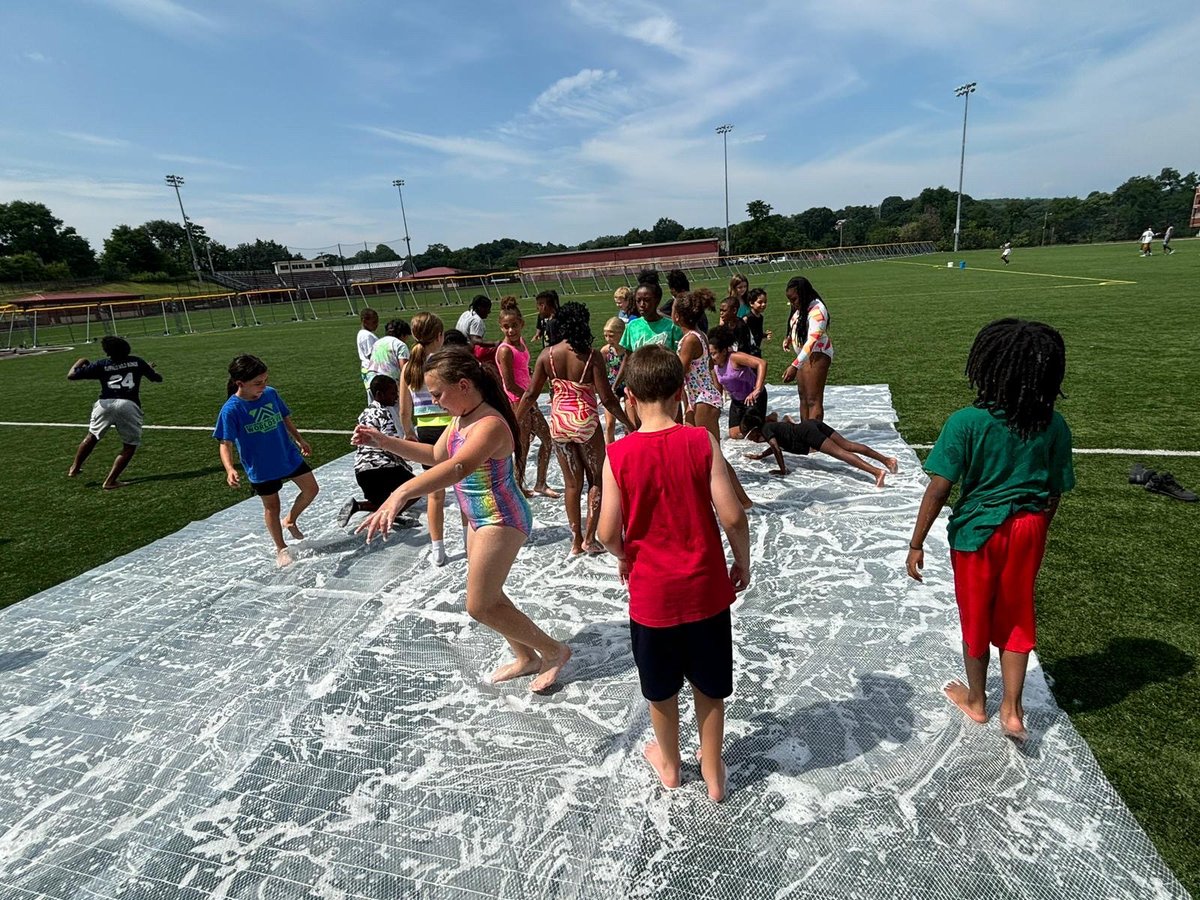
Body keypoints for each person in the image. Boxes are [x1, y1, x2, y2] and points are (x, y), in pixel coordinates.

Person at [354, 348, 572, 693]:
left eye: (438, 394)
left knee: (479, 605)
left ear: (464, 385)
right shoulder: (462, 418)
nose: (437, 402)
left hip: (501, 517)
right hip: (478, 518)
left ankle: (554, 651)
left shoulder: (489, 425)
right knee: (490, 596)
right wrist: (383, 441)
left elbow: (457, 467)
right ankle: (526, 656)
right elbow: (435, 455)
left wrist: (400, 494)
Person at [906, 318, 1075, 741]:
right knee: (1018, 612)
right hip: (1030, 527)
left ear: (988, 367)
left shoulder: (966, 421)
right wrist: (1038, 531)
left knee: (976, 615)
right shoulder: (1054, 425)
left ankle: (978, 701)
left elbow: (939, 488)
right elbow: (1055, 491)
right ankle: (1013, 710)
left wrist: (916, 542)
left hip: (978, 534)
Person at [597, 344, 751, 803]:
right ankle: (712, 770)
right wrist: (742, 561)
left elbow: (606, 531)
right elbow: (733, 516)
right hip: (705, 590)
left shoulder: (618, 454)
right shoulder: (701, 442)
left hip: (652, 598)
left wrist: (624, 554)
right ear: (682, 391)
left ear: (628, 397)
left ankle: (669, 765)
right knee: (710, 685)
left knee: (660, 691)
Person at [517, 302, 632, 556]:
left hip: (559, 423)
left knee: (572, 485)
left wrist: (514, 423)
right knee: (596, 480)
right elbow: (608, 399)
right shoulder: (591, 356)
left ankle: (575, 540)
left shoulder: (547, 355)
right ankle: (590, 539)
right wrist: (629, 423)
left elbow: (530, 394)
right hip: (585, 422)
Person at [214, 354, 319, 568]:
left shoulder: (270, 394)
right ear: (239, 383)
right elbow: (225, 443)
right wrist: (229, 469)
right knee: (272, 506)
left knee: (311, 489)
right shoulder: (231, 409)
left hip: (286, 454)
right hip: (260, 466)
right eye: (257, 383)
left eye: (265, 380)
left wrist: (299, 439)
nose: (263, 386)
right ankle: (281, 547)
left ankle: (290, 520)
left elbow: (284, 417)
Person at [675, 289, 752, 508]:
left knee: (712, 454)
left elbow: (679, 370)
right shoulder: (695, 335)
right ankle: (703, 500)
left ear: (677, 316)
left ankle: (742, 500)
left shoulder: (691, 339)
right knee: (693, 454)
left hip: (703, 399)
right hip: (696, 399)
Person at [66, 335, 163, 489]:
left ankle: (74, 468)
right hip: (128, 405)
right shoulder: (137, 361)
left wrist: (82, 360)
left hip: (104, 404)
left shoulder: (102, 364)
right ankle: (110, 481)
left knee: (92, 436)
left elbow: (71, 375)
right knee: (129, 445)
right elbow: (157, 379)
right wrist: (148, 370)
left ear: (107, 352)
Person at [398, 313, 451, 566]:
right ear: (439, 336)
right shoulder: (444, 363)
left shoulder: (409, 367)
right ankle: (468, 541)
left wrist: (409, 433)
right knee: (464, 489)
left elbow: (404, 409)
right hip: (451, 430)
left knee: (435, 493)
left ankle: (437, 548)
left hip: (425, 433)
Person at [493, 297, 558, 499]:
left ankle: (540, 482)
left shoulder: (520, 343)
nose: (511, 331)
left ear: (521, 324)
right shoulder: (505, 350)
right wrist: (530, 395)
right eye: (506, 327)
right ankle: (518, 486)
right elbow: (509, 384)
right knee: (522, 446)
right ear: (501, 327)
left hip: (528, 399)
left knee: (547, 439)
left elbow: (521, 370)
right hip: (517, 401)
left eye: (514, 326)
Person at [337, 374, 419, 528]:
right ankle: (393, 515)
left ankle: (358, 506)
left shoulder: (364, 413)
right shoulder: (384, 414)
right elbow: (391, 445)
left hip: (362, 471)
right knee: (415, 490)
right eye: (393, 393)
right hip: (382, 468)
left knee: (383, 502)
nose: (396, 397)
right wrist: (407, 461)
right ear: (380, 395)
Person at [741, 410, 897, 487]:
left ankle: (876, 472)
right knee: (848, 445)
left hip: (807, 433)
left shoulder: (766, 430)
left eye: (749, 435)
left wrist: (782, 470)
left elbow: (776, 448)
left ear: (755, 430)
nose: (750, 439)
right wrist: (761, 456)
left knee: (842, 453)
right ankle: (887, 461)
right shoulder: (769, 428)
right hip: (811, 424)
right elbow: (776, 444)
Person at [782, 276, 833, 422]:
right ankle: (805, 434)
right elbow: (796, 322)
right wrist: (789, 338)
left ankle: (814, 440)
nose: (792, 304)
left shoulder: (818, 310)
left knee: (813, 399)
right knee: (803, 397)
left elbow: (812, 341)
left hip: (817, 354)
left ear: (804, 295)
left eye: (794, 299)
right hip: (804, 356)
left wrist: (794, 365)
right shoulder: (801, 306)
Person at [707, 324, 767, 439]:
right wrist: (715, 405)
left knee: (752, 436)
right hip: (737, 401)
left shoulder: (734, 358)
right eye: (710, 354)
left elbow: (762, 363)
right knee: (734, 434)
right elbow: (718, 387)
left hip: (753, 398)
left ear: (724, 351)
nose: (711, 357)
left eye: (714, 354)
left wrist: (758, 389)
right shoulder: (714, 366)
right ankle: (766, 420)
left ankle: (772, 424)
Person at [601, 317, 627, 444]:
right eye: (605, 335)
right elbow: (600, 371)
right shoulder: (606, 350)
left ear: (621, 334)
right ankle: (610, 451)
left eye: (611, 336)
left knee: (629, 422)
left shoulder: (628, 350)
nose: (608, 339)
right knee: (610, 424)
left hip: (628, 385)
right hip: (612, 386)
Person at [367, 318, 411, 382]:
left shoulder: (377, 342)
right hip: (389, 381)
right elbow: (404, 369)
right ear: (402, 334)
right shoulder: (400, 345)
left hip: (372, 379)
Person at [356, 308, 380, 400]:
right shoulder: (366, 336)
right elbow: (371, 355)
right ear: (364, 321)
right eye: (374, 322)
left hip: (368, 368)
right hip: (371, 369)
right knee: (375, 396)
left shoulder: (365, 334)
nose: (376, 324)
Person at [740, 288, 771, 357]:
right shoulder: (747, 318)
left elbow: (756, 334)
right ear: (751, 303)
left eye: (765, 302)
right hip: (747, 352)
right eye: (760, 302)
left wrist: (765, 335)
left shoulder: (760, 317)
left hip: (756, 350)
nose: (763, 304)